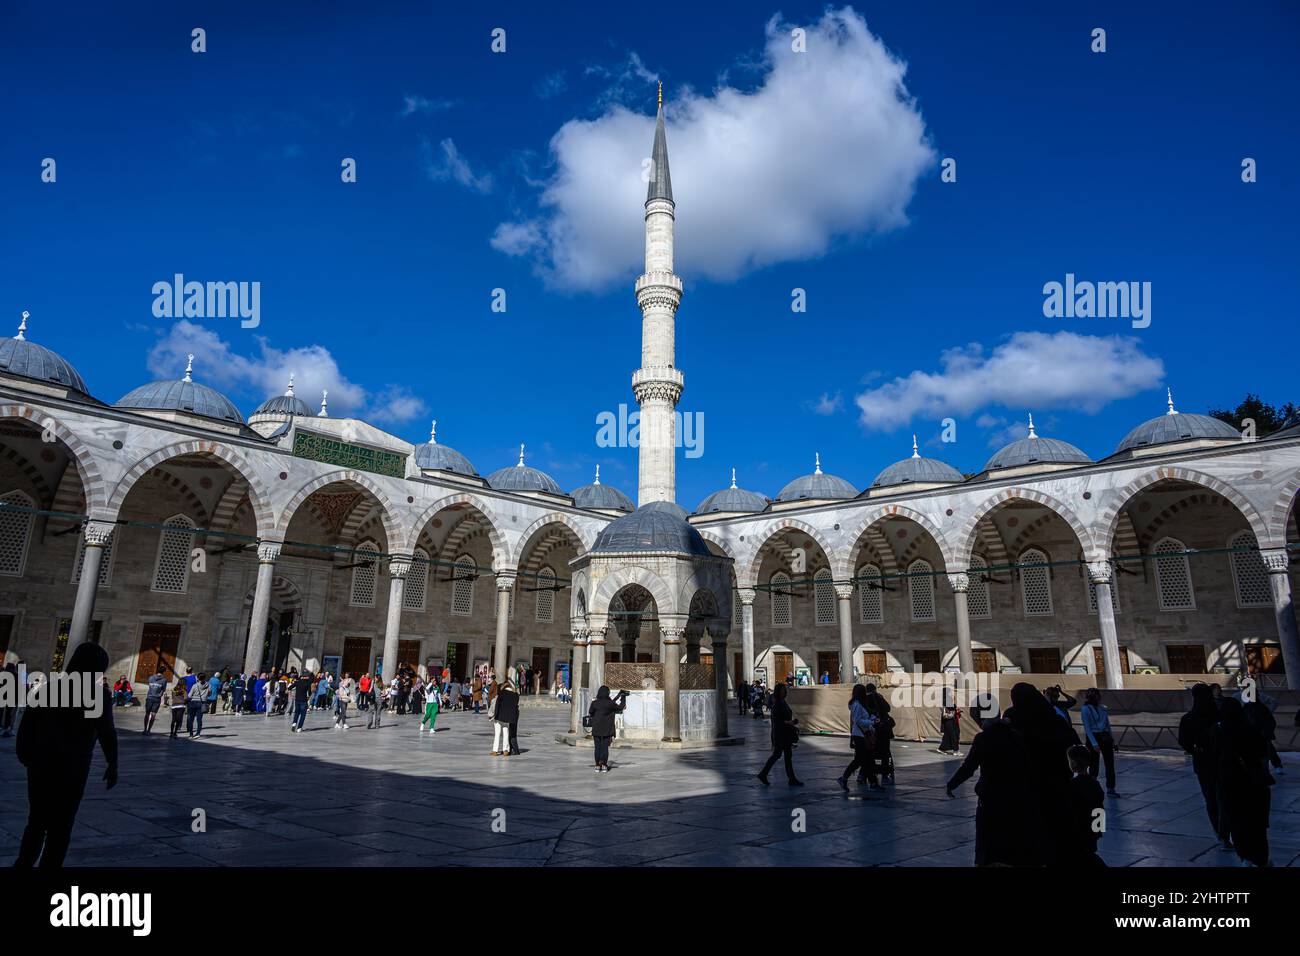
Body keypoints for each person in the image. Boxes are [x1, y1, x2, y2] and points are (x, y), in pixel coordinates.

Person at [13, 643, 118, 867]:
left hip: (41, 763)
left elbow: (27, 726)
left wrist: (25, 755)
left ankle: (23, 863)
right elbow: (106, 731)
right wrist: (112, 762)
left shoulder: (48, 690)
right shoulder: (97, 695)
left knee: (36, 820)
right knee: (61, 825)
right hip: (73, 767)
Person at [946, 699, 1039, 866]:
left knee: (987, 842)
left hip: (991, 798)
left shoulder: (983, 738)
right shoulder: (1015, 735)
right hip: (1015, 796)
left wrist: (952, 783)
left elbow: (969, 767)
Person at [1004, 682, 1075, 865]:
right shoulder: (1054, 719)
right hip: (1055, 785)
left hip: (1025, 786)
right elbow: (1072, 744)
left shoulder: (1012, 718)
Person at [1214, 697, 1273, 866]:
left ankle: (1245, 857)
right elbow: (1263, 757)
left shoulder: (1218, 732)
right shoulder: (1250, 731)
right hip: (1253, 784)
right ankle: (1260, 858)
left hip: (1229, 783)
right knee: (1257, 825)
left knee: (1237, 822)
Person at [1179, 682, 1230, 846]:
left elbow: (1184, 742)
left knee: (1211, 799)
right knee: (1225, 797)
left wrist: (1196, 750)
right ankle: (1226, 831)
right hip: (1223, 760)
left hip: (1202, 761)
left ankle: (1220, 834)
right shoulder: (1219, 714)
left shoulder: (1188, 718)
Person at [1062, 744, 1107, 867]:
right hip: (1092, 832)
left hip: (1079, 833)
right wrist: (1098, 830)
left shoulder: (1072, 786)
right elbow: (1100, 809)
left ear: (1073, 764)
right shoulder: (1095, 784)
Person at [756, 683, 802, 786]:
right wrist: (790, 723)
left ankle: (791, 778)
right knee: (777, 755)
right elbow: (777, 721)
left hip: (785, 733)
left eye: (784, 690)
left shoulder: (783, 702)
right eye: (782, 690)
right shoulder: (777, 704)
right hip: (780, 734)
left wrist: (792, 725)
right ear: (778, 691)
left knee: (787, 756)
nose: (784, 691)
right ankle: (763, 774)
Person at [837, 684, 880, 790]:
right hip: (860, 735)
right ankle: (844, 777)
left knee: (867, 759)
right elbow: (858, 720)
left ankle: (873, 782)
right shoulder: (857, 705)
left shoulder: (859, 704)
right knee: (860, 759)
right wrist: (871, 722)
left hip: (861, 734)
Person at [1080, 687, 1118, 794]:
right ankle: (1093, 784)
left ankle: (1111, 787)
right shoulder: (1085, 709)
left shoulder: (1102, 708)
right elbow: (1087, 728)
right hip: (1094, 736)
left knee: (1109, 763)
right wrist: (1094, 743)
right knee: (1094, 763)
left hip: (1105, 736)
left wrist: (1113, 740)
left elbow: (1107, 725)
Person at [588, 685, 627, 772]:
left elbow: (590, 712)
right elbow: (620, 707)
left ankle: (597, 765)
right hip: (607, 729)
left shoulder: (595, 703)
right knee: (604, 747)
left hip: (596, 728)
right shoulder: (610, 704)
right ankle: (604, 765)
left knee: (597, 747)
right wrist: (623, 697)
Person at [864, 682, 896, 783]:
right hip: (883, 729)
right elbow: (888, 708)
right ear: (875, 689)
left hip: (871, 729)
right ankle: (885, 773)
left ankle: (869, 773)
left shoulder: (864, 700)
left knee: (870, 752)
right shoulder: (879, 697)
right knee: (885, 752)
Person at [491, 680, 519, 756]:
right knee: (506, 733)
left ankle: (495, 750)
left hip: (499, 717)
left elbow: (497, 705)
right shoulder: (515, 695)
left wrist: (495, 716)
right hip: (508, 718)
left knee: (497, 734)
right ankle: (506, 750)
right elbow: (515, 707)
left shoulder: (501, 693)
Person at [936, 682, 961, 756]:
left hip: (947, 720)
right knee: (954, 734)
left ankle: (941, 748)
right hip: (950, 720)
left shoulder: (943, 699)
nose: (950, 693)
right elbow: (951, 708)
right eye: (949, 692)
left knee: (947, 735)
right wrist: (956, 708)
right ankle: (956, 750)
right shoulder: (947, 699)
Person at [143, 667, 167, 734]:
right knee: (153, 714)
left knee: (147, 714)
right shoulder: (164, 680)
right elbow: (163, 690)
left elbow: (149, 685)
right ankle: (149, 730)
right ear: (164, 672)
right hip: (157, 698)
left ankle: (145, 729)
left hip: (150, 697)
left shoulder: (151, 678)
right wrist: (160, 695)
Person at [186, 672, 209, 738]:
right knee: (199, 719)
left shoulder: (195, 685)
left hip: (193, 702)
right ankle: (198, 733)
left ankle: (191, 734)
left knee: (191, 719)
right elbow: (209, 693)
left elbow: (189, 695)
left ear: (198, 678)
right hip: (202, 703)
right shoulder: (208, 685)